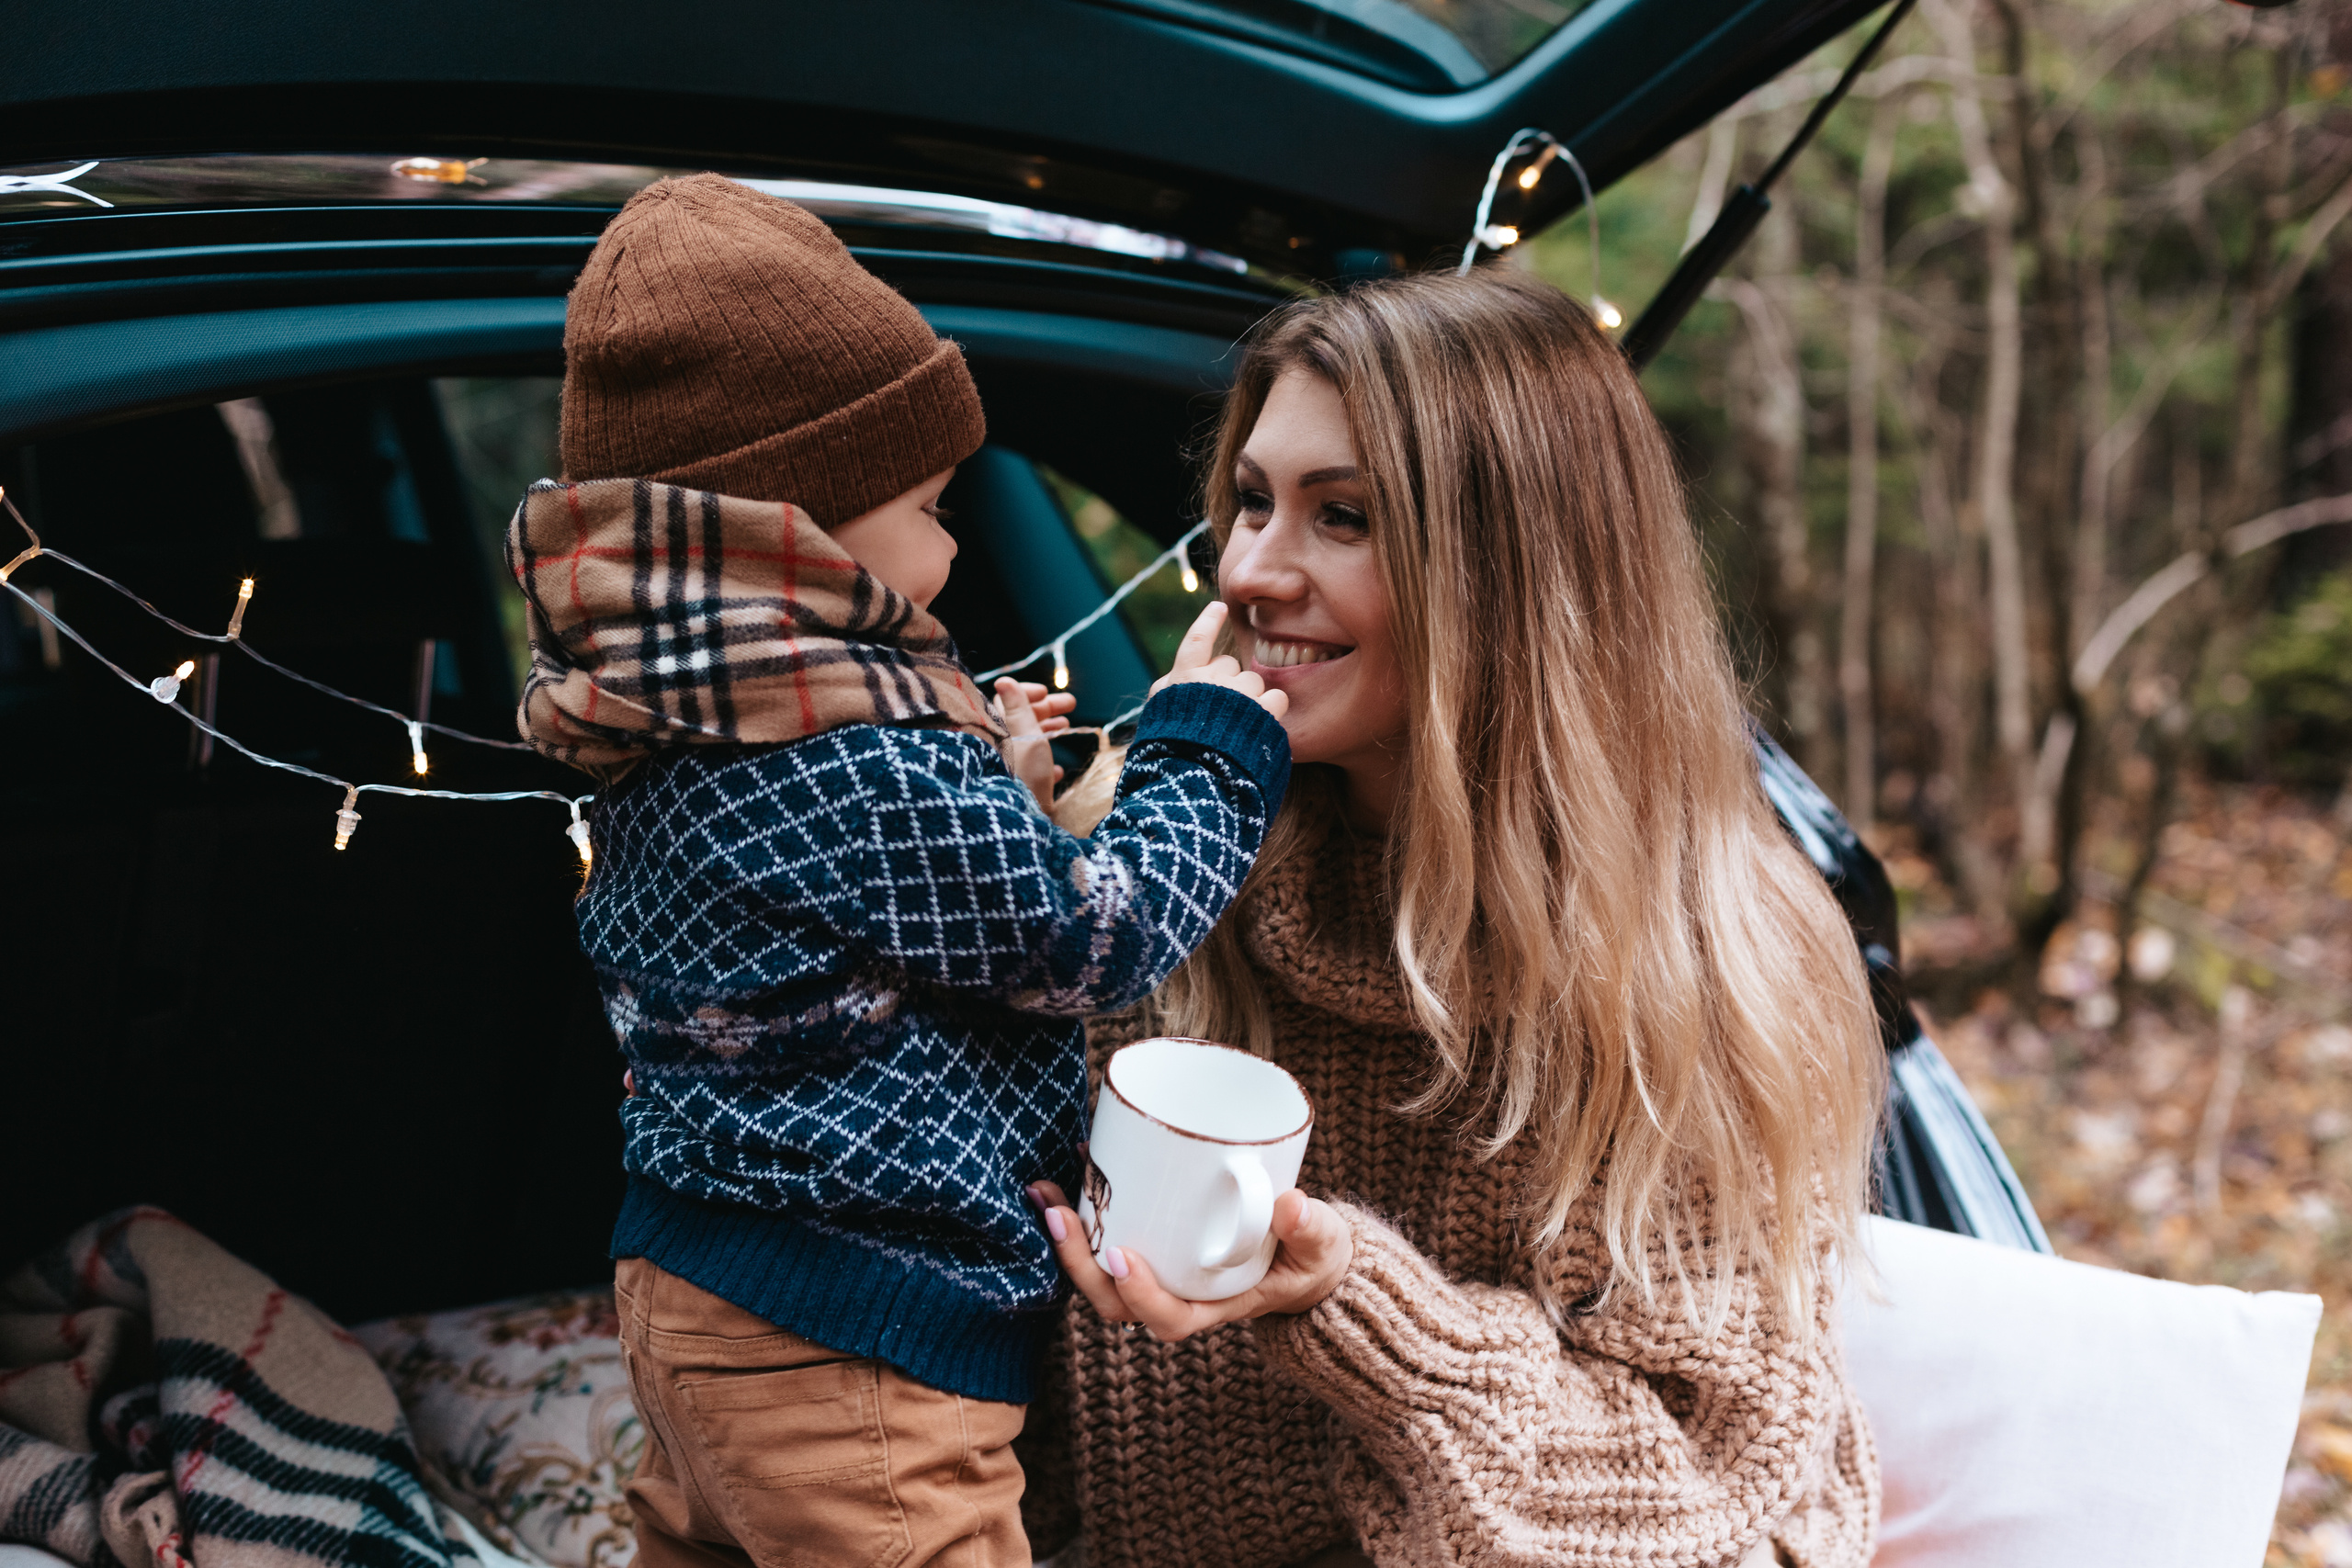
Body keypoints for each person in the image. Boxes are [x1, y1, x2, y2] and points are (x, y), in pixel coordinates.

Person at [1021, 269, 1885, 1568]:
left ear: (1508, 575)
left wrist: (1353, 1306)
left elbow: (1706, 1479)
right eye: (1251, 501)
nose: (1248, 570)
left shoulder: (1707, 963)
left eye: (1344, 517)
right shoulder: (1137, 875)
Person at [508, 175, 1293, 1568]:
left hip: (693, 1286)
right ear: (798, 524)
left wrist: (1001, 793)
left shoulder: (676, 710)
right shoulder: (862, 759)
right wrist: (1208, 747)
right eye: (930, 504)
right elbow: (1093, 942)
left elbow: (856, 925)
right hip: (852, 1339)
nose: (951, 544)